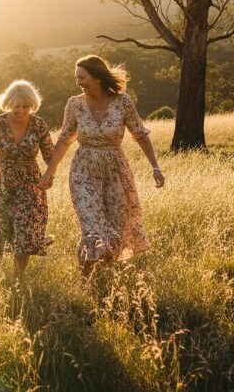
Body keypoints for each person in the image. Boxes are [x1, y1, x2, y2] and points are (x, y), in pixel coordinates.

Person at [40, 55, 164, 281]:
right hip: (83, 172)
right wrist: (50, 172)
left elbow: (140, 134)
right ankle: (85, 281)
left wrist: (155, 166)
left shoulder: (122, 102)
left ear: (97, 77)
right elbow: (65, 139)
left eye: (82, 77)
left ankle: (96, 277)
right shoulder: (75, 104)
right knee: (94, 230)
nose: (78, 82)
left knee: (115, 234)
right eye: (76, 78)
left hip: (115, 172)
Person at [0, 79, 55, 282]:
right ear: (9, 103)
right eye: (17, 106)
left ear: (32, 105)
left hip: (30, 184)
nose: (21, 111)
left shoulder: (38, 124)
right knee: (1, 232)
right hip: (1, 182)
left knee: (25, 232)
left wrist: (49, 175)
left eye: (26, 106)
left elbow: (50, 155)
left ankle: (18, 280)